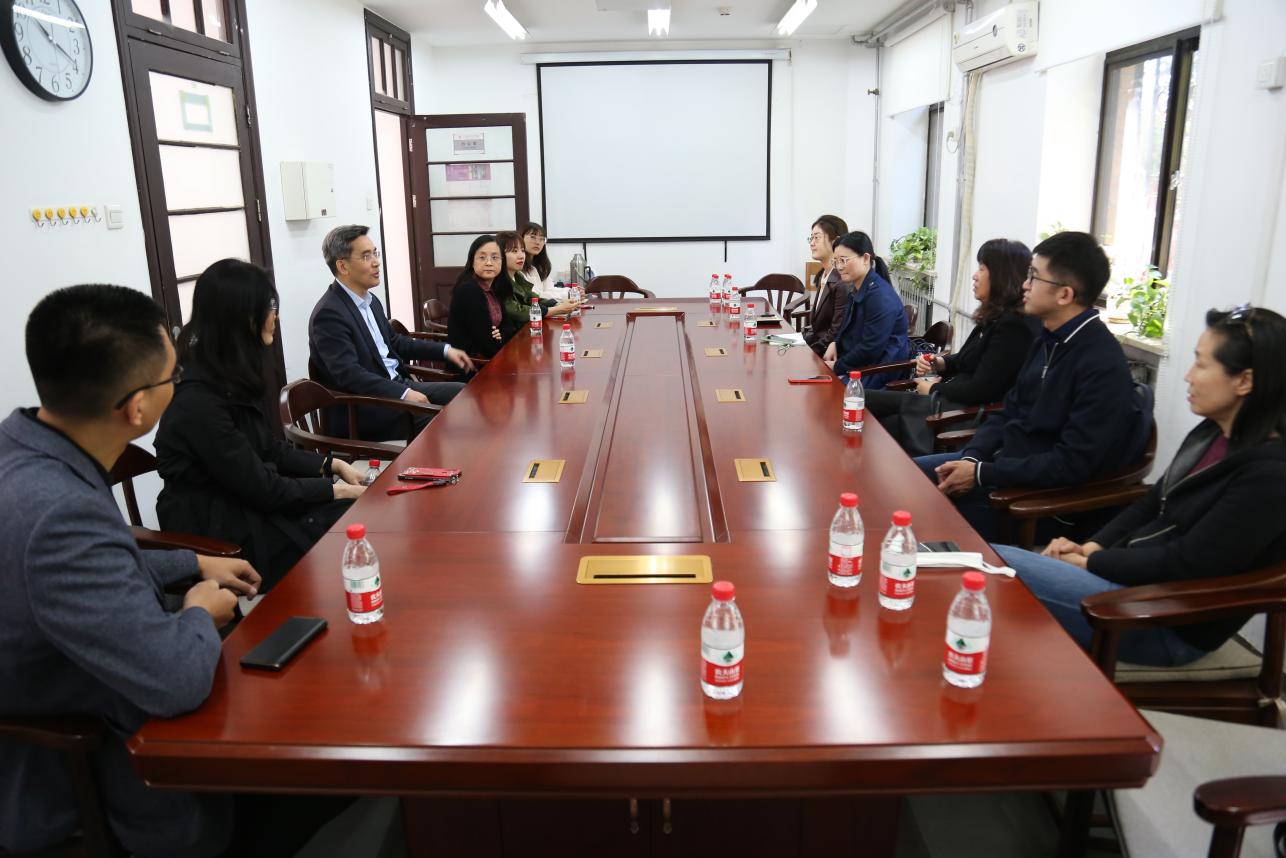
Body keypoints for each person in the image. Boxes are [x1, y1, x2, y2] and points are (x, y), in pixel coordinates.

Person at [0, 284, 255, 856]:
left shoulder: (23, 445)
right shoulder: (59, 513)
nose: (179, 383)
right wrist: (199, 611)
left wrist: (191, 561)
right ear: (137, 407)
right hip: (86, 772)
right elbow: (174, 681)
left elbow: (88, 568)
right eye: (173, 376)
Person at [994, 306, 1286, 666]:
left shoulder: (1270, 475)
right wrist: (1090, 547)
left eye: (1201, 364)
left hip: (1162, 619)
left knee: (994, 565)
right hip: (1133, 585)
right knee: (988, 566)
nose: (1188, 376)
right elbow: (1151, 503)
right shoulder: (1213, 432)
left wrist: (1091, 563)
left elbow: (1185, 563)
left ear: (1244, 381)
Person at [913, 231, 1144, 540]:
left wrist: (981, 473)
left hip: (1034, 501)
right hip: (1001, 468)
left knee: (912, 511)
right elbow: (1008, 411)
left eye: (1033, 277)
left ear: (1064, 295)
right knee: (903, 478)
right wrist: (971, 458)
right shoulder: (1048, 340)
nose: (1024, 285)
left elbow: (1070, 465)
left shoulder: (1101, 363)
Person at [155, 260, 366, 593]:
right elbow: (264, 488)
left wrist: (331, 464)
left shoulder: (224, 374)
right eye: (268, 306)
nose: (275, 316)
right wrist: (335, 489)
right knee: (353, 525)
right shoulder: (198, 401)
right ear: (242, 317)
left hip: (249, 507)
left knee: (358, 516)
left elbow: (267, 447)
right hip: (223, 533)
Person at [865, 238, 1040, 456]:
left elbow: (982, 389)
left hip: (959, 411)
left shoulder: (1014, 326)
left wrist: (933, 389)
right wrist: (939, 363)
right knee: (865, 404)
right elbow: (967, 357)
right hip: (947, 400)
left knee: (868, 410)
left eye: (982, 269)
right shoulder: (995, 316)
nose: (974, 276)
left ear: (1001, 275)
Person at [308, 224, 473, 440]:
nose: (376, 262)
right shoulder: (329, 314)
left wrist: (445, 350)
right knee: (440, 419)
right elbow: (350, 374)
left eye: (375, 253)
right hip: (363, 407)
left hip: (395, 385)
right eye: (366, 256)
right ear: (343, 266)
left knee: (464, 394)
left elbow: (395, 343)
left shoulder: (370, 300)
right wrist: (403, 394)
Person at [822, 231, 911, 388]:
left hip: (878, 370)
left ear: (865, 258)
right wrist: (835, 343)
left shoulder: (880, 297)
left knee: (824, 389)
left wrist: (837, 367)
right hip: (860, 363)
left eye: (844, 260)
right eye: (836, 261)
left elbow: (870, 349)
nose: (839, 267)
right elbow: (847, 326)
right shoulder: (858, 287)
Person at [448, 234, 520, 359]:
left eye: (495, 257)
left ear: (502, 262)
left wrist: (501, 335)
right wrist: (501, 340)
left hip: (490, 356)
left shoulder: (495, 288)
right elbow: (484, 341)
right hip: (472, 363)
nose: (489, 263)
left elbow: (508, 327)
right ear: (472, 262)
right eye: (482, 257)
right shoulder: (469, 290)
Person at [497, 230, 577, 331]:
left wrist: (557, 305)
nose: (521, 256)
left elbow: (533, 298)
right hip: (512, 334)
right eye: (514, 251)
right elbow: (518, 312)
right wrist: (556, 309)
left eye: (522, 250)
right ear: (499, 255)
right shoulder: (498, 281)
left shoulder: (517, 275)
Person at [803, 214, 853, 356]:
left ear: (835, 242)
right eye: (811, 238)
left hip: (828, 355)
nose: (812, 243)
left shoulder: (842, 282)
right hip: (817, 346)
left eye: (817, 237)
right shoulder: (824, 275)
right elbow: (818, 328)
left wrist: (808, 353)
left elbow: (836, 332)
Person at [521, 221, 570, 301]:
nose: (537, 242)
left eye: (542, 239)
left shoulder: (540, 266)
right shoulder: (518, 267)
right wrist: (568, 294)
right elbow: (537, 296)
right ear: (521, 238)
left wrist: (572, 291)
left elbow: (549, 289)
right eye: (533, 237)